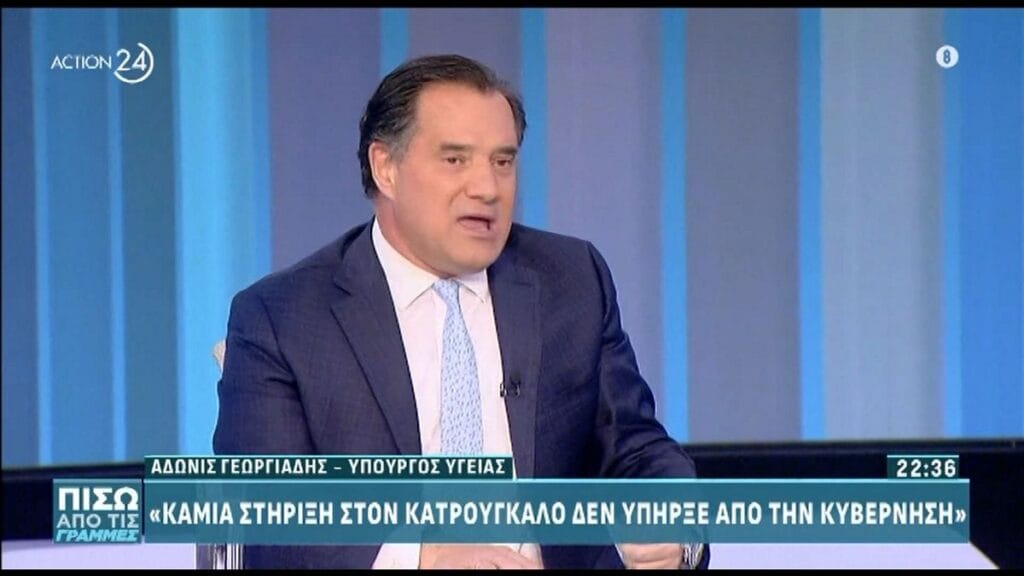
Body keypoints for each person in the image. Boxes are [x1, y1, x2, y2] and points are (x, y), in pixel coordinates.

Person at [214, 53, 708, 570]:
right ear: (386, 168)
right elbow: (265, 516)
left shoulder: (571, 280)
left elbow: (635, 449)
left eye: (502, 162)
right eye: (455, 160)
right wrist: (422, 560)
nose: (487, 188)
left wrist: (674, 526)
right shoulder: (283, 318)